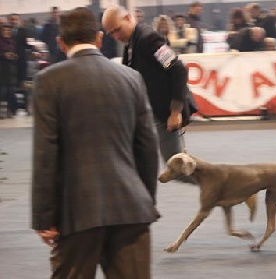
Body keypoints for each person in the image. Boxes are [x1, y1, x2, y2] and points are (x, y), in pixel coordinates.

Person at [31, 7, 159, 278]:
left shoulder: (48, 81)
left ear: (60, 42)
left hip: (77, 213)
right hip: (131, 209)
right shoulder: (131, 78)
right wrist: (144, 201)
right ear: (100, 39)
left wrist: (44, 218)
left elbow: (46, 154)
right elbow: (147, 147)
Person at [102, 5, 189, 164]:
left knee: (178, 168)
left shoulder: (149, 39)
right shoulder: (131, 44)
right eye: (111, 33)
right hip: (149, 114)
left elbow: (178, 70)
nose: (115, 36)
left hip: (165, 115)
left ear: (128, 18)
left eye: (117, 30)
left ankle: (219, 184)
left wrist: (176, 112)